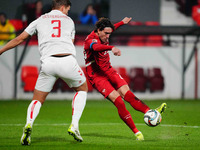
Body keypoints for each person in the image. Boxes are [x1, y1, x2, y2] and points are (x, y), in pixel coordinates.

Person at [0, 0, 87, 145]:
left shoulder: (39, 20)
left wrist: (1, 50)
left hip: (48, 63)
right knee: (82, 89)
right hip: (67, 61)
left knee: (37, 99)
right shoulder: (69, 21)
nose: (67, 12)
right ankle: (75, 125)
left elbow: (20, 38)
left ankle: (28, 125)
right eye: (67, 9)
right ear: (63, 7)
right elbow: (70, 42)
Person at [83, 17, 167, 140]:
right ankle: (137, 132)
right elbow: (95, 48)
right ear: (98, 30)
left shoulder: (104, 33)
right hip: (97, 76)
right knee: (119, 102)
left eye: (109, 34)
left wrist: (122, 23)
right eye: (106, 34)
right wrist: (111, 47)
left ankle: (150, 112)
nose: (108, 36)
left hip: (109, 70)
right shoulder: (90, 40)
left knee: (127, 94)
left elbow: (111, 28)